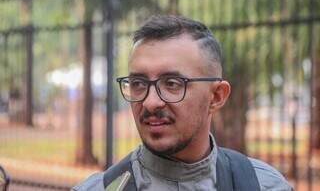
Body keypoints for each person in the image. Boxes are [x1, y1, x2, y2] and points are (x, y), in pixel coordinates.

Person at [73, 15, 293, 191]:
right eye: (138, 83)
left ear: (216, 96)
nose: (150, 102)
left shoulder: (263, 185)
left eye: (172, 83)